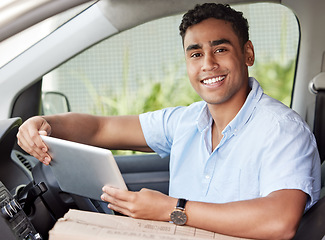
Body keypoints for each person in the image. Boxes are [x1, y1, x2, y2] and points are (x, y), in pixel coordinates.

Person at [17, 3, 321, 240]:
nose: (208, 64)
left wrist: (173, 209)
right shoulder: (185, 120)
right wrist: (44, 122)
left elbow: (280, 221)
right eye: (196, 54)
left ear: (247, 53)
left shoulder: (282, 129)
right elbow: (100, 127)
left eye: (220, 49)